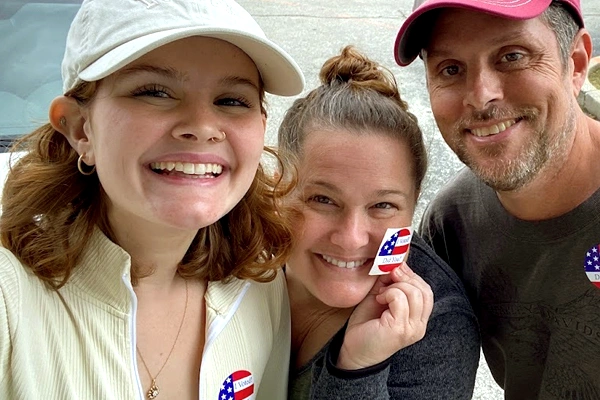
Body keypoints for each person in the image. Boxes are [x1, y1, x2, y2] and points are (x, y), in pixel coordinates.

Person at [0, 0, 305, 398]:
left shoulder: (260, 286)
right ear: (80, 130)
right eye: (155, 92)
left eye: (232, 100)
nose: (201, 127)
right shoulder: (11, 298)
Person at [395, 0, 600, 398]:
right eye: (450, 69)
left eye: (512, 56)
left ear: (574, 63)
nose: (481, 96)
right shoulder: (451, 224)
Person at [278, 46, 480, 400]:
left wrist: (358, 369)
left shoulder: (439, 328)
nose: (351, 237)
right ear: (279, 188)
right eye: (322, 200)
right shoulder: (237, 250)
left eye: (383, 206)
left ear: (412, 208)